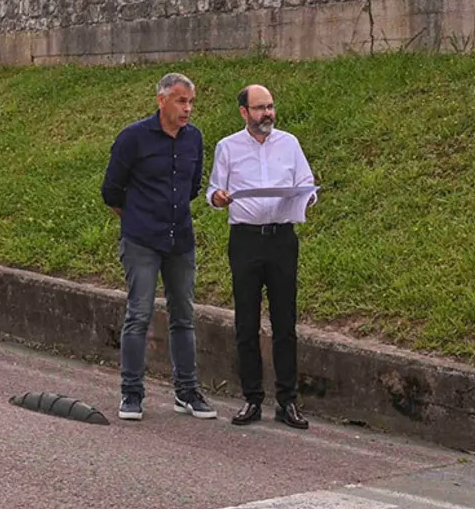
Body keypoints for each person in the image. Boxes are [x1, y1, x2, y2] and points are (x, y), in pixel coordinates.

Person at [100, 72, 217, 422]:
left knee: (184, 315)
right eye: (181, 101)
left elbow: (193, 186)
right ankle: (132, 393)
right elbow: (111, 191)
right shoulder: (133, 138)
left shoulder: (193, 139)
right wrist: (138, 217)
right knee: (139, 314)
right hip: (141, 241)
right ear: (162, 100)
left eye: (191, 102)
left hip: (180, 239)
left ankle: (187, 391)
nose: (188, 109)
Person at [205, 84, 317, 430]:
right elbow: (213, 191)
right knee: (246, 323)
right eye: (259, 108)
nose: (267, 114)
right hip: (246, 240)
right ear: (243, 113)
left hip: (282, 238)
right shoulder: (228, 147)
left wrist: (305, 198)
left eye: (270, 107)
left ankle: (288, 401)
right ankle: (252, 398)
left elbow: (308, 184)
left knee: (285, 323)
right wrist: (219, 198)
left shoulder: (290, 143)